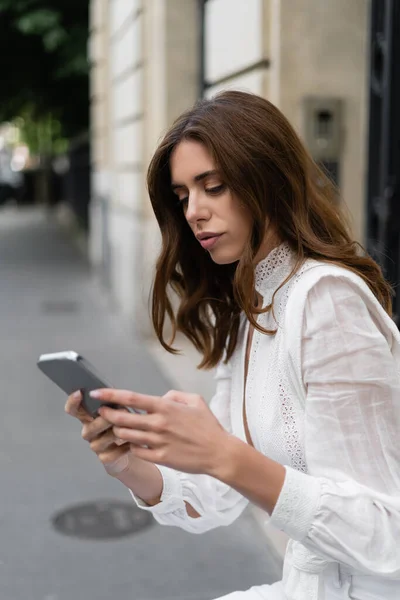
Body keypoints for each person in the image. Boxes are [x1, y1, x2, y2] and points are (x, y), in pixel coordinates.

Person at [65, 91, 400, 600]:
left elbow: (386, 535)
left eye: (213, 187)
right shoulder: (251, 307)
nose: (194, 212)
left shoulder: (326, 301)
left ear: (266, 179)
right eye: (182, 197)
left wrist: (223, 453)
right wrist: (128, 462)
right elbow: (216, 495)